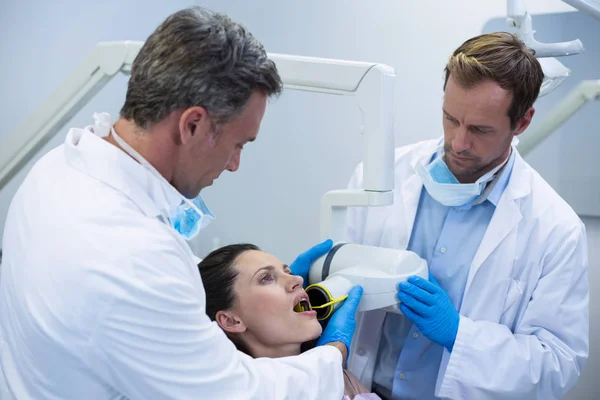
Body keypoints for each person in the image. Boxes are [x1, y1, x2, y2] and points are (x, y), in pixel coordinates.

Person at [0, 7, 363, 400]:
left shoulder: (56, 169)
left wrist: (257, 276)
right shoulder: (130, 256)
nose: (235, 164)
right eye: (238, 144)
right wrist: (332, 354)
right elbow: (234, 393)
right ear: (193, 125)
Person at [345, 32, 589, 400]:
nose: (458, 143)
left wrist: (460, 334)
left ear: (522, 122)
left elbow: (556, 362)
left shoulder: (556, 228)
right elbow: (343, 287)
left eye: (479, 130)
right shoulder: (380, 177)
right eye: (450, 118)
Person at [197, 243, 379, 400]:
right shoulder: (234, 391)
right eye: (266, 278)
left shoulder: (343, 382)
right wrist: (334, 350)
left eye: (288, 271)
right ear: (231, 320)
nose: (297, 279)